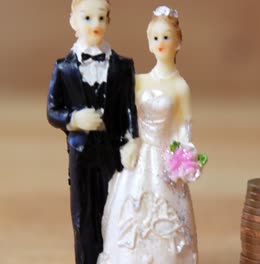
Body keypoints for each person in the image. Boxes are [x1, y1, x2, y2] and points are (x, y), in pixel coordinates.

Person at [97, 6, 198, 264]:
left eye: (166, 37)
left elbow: (182, 129)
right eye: (155, 37)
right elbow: (123, 114)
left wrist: (181, 159)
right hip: (138, 155)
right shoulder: (138, 80)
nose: (160, 43)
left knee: (164, 213)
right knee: (129, 207)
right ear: (149, 42)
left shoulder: (180, 86)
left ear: (178, 42)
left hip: (162, 156)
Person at [46, 0, 139, 263]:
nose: (95, 24)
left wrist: (133, 140)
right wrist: (73, 118)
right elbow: (52, 111)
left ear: (108, 21)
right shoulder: (63, 69)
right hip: (81, 155)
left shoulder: (123, 67)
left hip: (114, 154)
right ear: (73, 22)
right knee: (83, 216)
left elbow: (129, 108)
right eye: (87, 18)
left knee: (115, 212)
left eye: (101, 18)